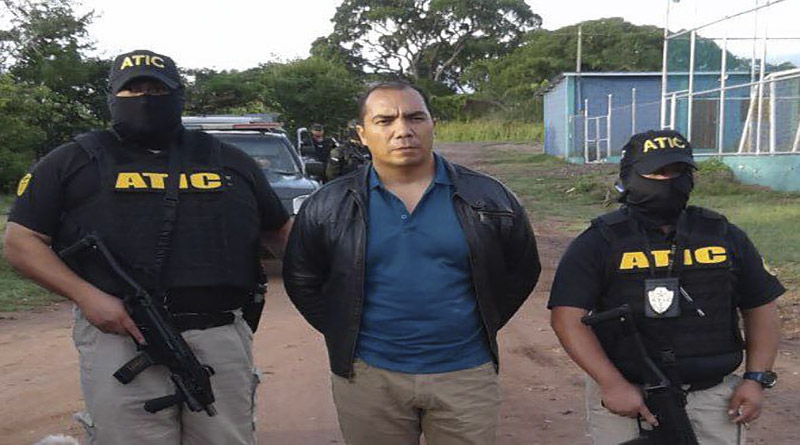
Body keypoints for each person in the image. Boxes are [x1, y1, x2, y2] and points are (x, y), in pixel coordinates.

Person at [3, 49, 292, 445]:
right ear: (111, 97)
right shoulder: (72, 161)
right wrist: (87, 297)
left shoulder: (228, 159)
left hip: (219, 335)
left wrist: (330, 286)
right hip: (119, 336)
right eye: (131, 90)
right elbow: (21, 241)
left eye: (156, 90)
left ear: (178, 95)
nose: (144, 99)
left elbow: (281, 232)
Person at [283, 80, 541, 445]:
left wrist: (480, 325)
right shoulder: (327, 204)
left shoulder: (489, 196)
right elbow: (302, 279)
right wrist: (344, 331)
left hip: (466, 373)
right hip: (369, 375)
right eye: (385, 120)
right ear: (362, 134)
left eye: (415, 117)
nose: (403, 130)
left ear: (433, 124)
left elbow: (522, 270)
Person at [548, 130, 784, 444]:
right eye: (657, 172)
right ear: (630, 176)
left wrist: (756, 378)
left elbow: (761, 306)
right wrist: (611, 383)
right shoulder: (599, 241)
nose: (669, 181)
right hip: (630, 399)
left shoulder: (723, 235)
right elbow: (566, 318)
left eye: (679, 171)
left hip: (713, 397)